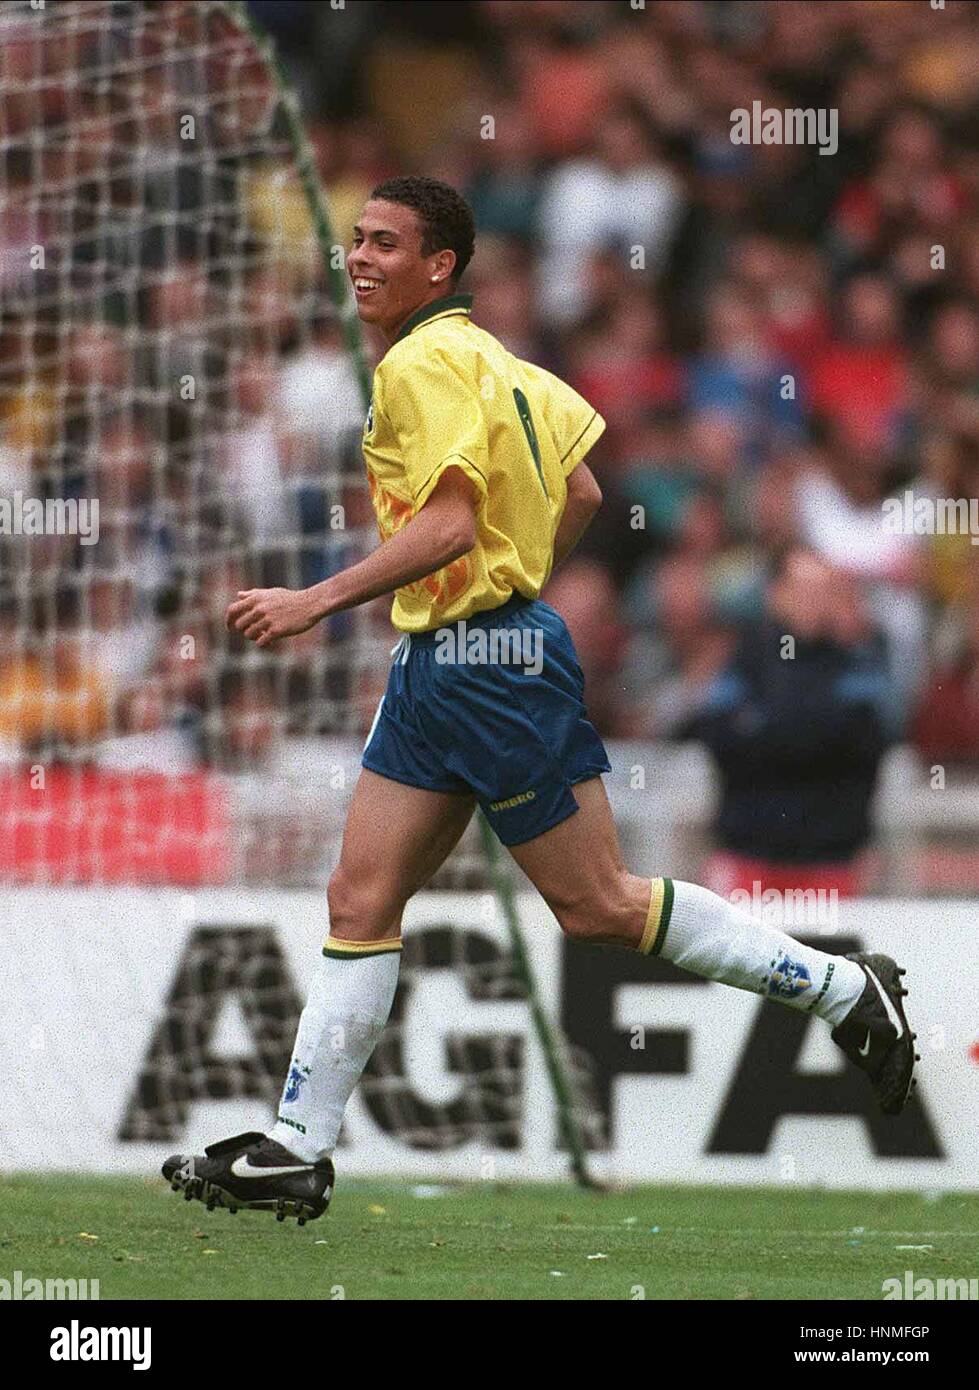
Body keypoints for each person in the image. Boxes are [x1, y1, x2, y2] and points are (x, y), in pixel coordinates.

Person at [164, 178, 918, 1225]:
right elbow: (584, 491)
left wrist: (315, 600)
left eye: (388, 243)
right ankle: (298, 1145)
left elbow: (450, 527)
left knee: (599, 905)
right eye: (358, 241)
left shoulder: (419, 367)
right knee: (360, 897)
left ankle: (841, 989)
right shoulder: (499, 361)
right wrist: (516, 599)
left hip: (481, 666)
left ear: (442, 266)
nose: (362, 258)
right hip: (451, 658)